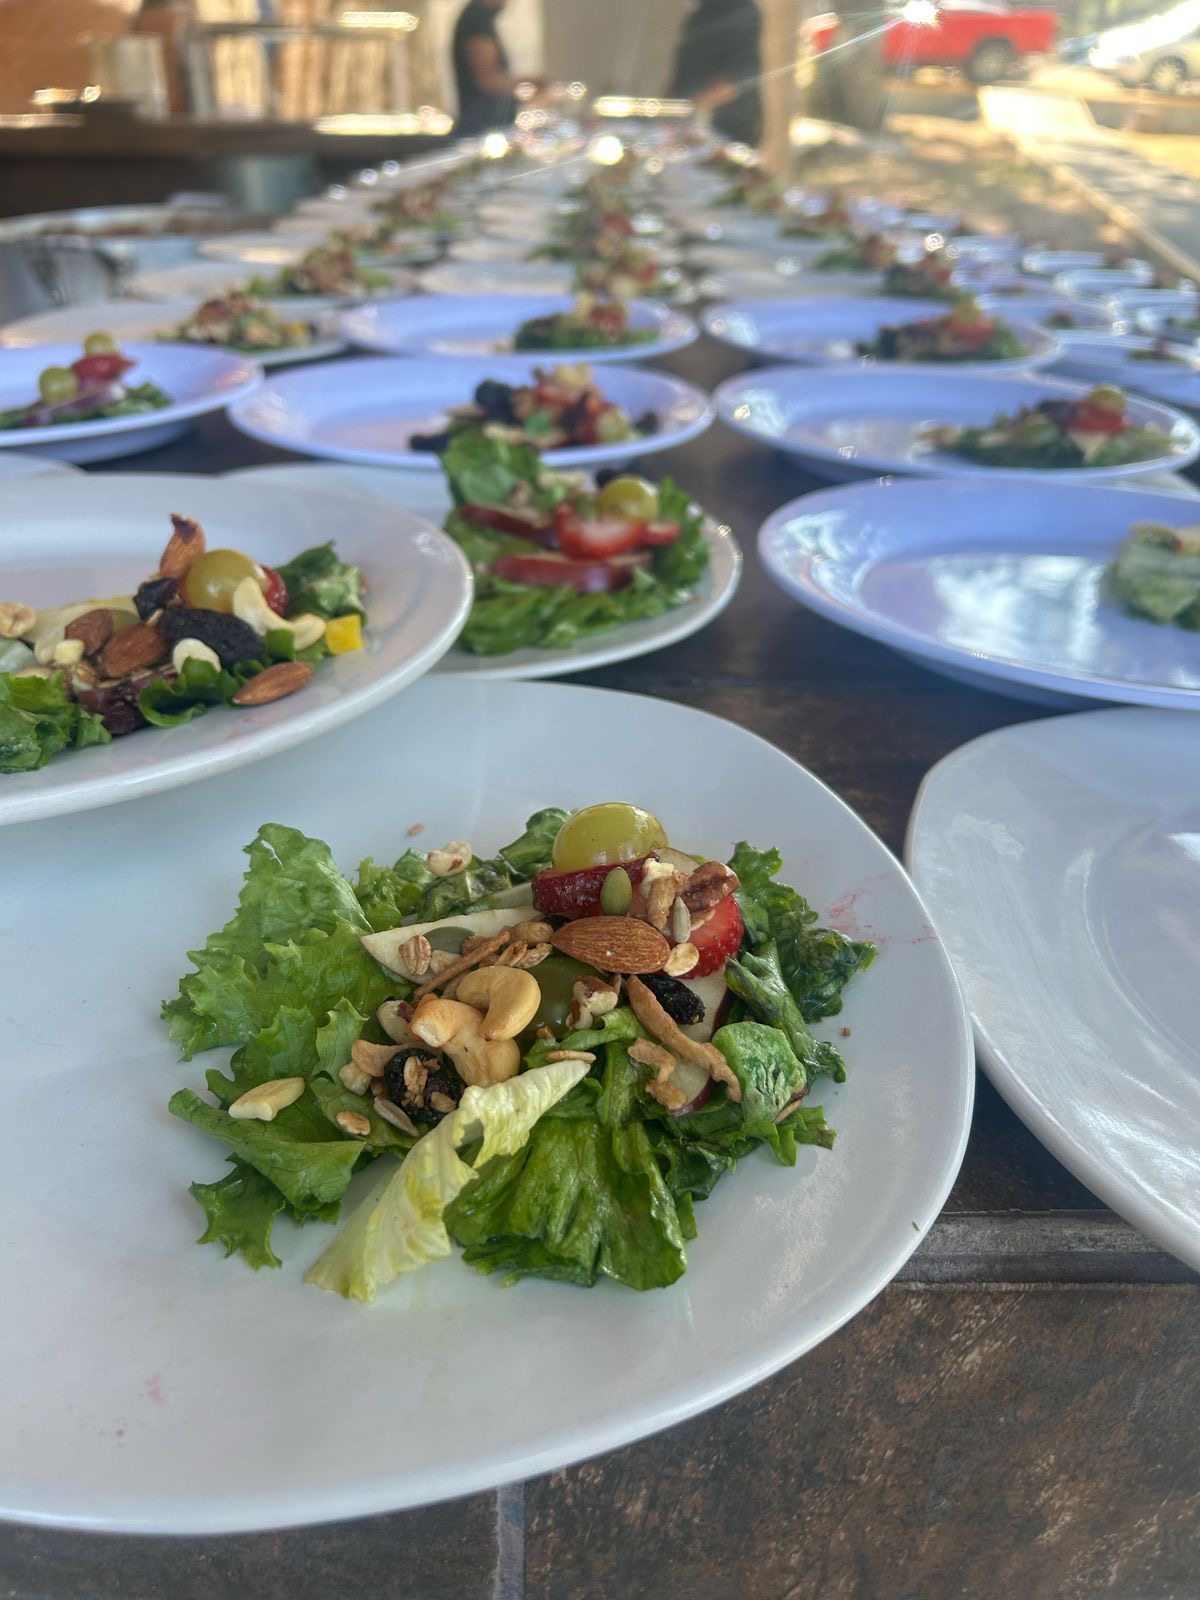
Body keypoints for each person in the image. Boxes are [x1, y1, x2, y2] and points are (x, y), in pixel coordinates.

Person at [668, 0, 764, 147]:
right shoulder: (701, 12)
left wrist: (691, 108)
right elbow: (685, 68)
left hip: (724, 133)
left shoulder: (740, 10)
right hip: (687, 125)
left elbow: (740, 76)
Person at [452, 0, 539, 137]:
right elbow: (489, 81)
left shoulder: (481, 19)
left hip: (489, 127)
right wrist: (534, 85)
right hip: (481, 130)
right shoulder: (476, 21)